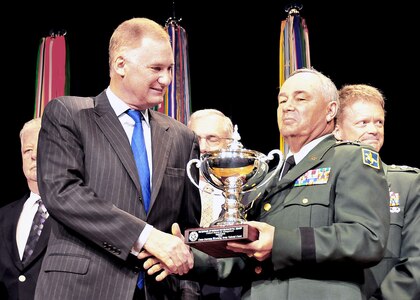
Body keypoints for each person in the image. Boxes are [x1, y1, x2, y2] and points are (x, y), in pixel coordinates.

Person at [153, 67, 391, 300]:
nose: (287, 106)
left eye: (301, 98)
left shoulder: (351, 159)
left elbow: (366, 239)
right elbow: (244, 257)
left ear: (330, 111)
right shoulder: (271, 176)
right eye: (282, 100)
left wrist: (280, 242)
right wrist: (190, 257)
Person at [34, 17, 201, 300]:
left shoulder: (183, 137)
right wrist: (147, 237)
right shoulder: (69, 114)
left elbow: (186, 230)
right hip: (80, 290)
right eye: (156, 68)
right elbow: (63, 194)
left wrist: (188, 291)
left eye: (170, 69)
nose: (167, 79)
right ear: (120, 64)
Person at [334, 84, 420, 300]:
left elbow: (416, 264)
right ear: (337, 130)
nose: (374, 130)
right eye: (363, 122)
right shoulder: (319, 183)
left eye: (379, 122)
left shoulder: (407, 184)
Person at [187, 108, 242, 299]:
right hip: (182, 279)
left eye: (212, 139)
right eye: (195, 138)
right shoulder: (174, 184)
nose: (202, 147)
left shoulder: (247, 188)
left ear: (230, 143)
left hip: (231, 284)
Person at [0, 118, 51, 300]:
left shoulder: (76, 212)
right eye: (27, 150)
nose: (34, 156)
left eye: (42, 147)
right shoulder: (4, 216)